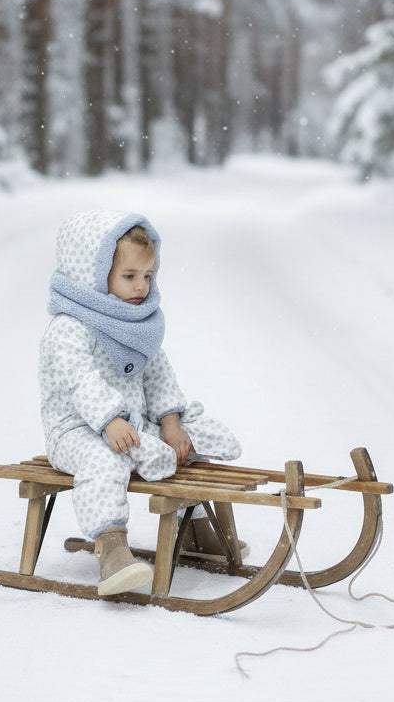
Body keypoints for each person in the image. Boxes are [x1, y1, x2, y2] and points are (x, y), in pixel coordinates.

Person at [39, 209, 244, 596]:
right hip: (77, 429)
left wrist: (170, 422)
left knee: (185, 444)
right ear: (94, 277)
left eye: (147, 276)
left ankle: (198, 531)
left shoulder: (136, 324)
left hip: (130, 423)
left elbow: (158, 374)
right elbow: (81, 380)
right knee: (104, 460)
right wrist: (108, 420)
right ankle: (111, 547)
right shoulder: (68, 329)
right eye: (129, 276)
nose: (140, 287)